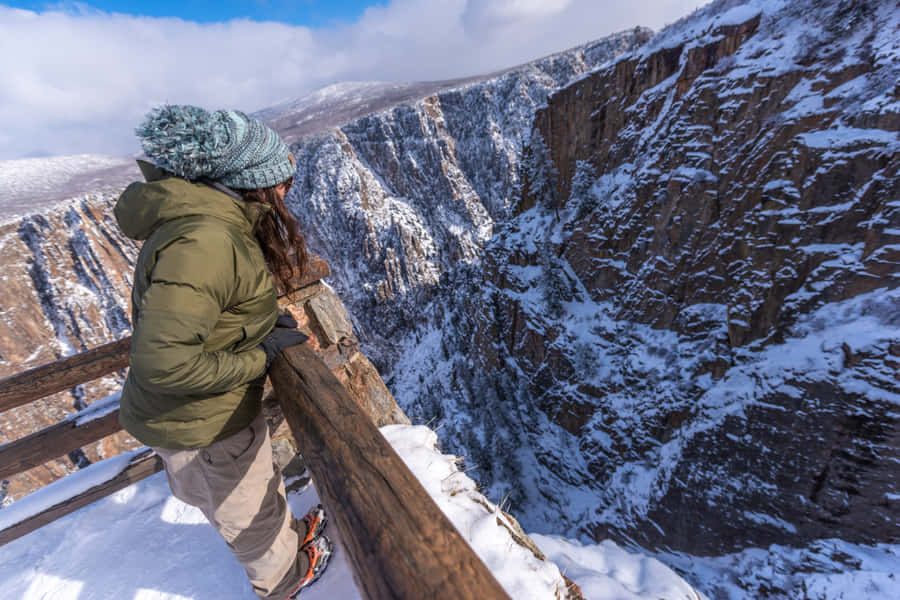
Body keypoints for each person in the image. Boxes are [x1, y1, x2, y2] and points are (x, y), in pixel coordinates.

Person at [114, 104, 332, 599]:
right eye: (281, 180)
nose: (284, 192)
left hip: (199, 417)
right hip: (203, 423)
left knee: (254, 491)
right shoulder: (206, 240)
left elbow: (213, 308)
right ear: (249, 182)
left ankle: (291, 540)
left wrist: (258, 322)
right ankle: (285, 581)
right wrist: (260, 355)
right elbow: (164, 360)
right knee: (247, 512)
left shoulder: (211, 224)